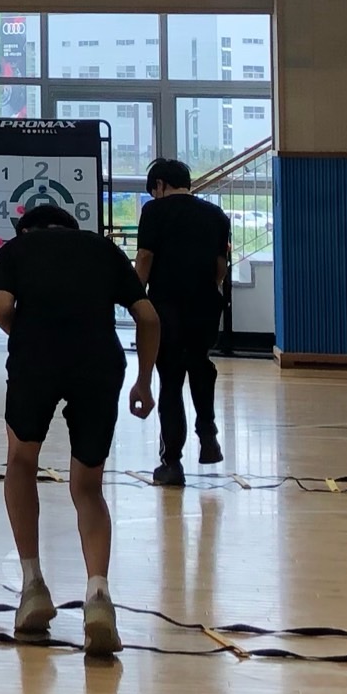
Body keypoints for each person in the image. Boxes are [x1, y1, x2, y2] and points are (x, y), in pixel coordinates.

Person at [0, 205, 160, 656]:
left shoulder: (16, 249)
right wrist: (143, 381)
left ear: (27, 229)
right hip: (98, 365)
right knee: (88, 487)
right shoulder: (101, 249)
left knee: (21, 462)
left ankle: (32, 587)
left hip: (35, 362)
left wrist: (26, 336)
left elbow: (1, 307)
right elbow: (148, 317)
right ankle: (98, 595)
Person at [136, 158, 232, 487]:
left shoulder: (154, 211)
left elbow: (145, 257)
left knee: (171, 380)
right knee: (200, 364)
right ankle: (207, 432)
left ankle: (172, 463)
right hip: (205, 305)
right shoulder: (216, 215)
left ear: (160, 185)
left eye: (154, 190)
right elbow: (220, 267)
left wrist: (135, 296)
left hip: (167, 307)